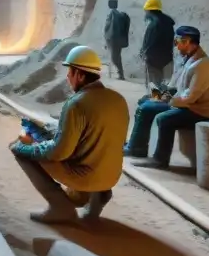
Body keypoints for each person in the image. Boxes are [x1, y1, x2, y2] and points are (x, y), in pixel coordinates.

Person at [9, 46, 130, 224]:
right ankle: (98, 197)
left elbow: (59, 152)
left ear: (80, 75)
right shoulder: (118, 99)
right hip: (111, 176)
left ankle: (60, 208)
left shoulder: (76, 104)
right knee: (93, 150)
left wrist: (28, 146)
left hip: (86, 177)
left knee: (21, 151)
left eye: (70, 72)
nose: (67, 77)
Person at [123, 25, 209, 168]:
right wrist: (155, 95)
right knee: (145, 103)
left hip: (201, 112)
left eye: (177, 42)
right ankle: (137, 147)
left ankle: (159, 160)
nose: (176, 46)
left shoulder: (203, 66)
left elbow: (188, 99)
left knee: (163, 119)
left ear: (186, 41)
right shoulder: (189, 60)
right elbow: (176, 88)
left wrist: (164, 99)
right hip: (189, 105)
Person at [140, 0, 175, 87]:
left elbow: (149, 43)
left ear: (150, 10)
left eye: (146, 11)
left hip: (153, 61)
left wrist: (144, 54)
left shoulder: (154, 24)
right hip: (167, 59)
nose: (145, 13)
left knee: (155, 86)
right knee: (166, 85)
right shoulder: (168, 22)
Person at [103, 0, 131, 80]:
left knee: (114, 58)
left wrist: (107, 39)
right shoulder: (117, 14)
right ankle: (121, 74)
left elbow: (109, 28)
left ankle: (121, 74)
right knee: (117, 57)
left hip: (113, 39)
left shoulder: (112, 14)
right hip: (117, 39)